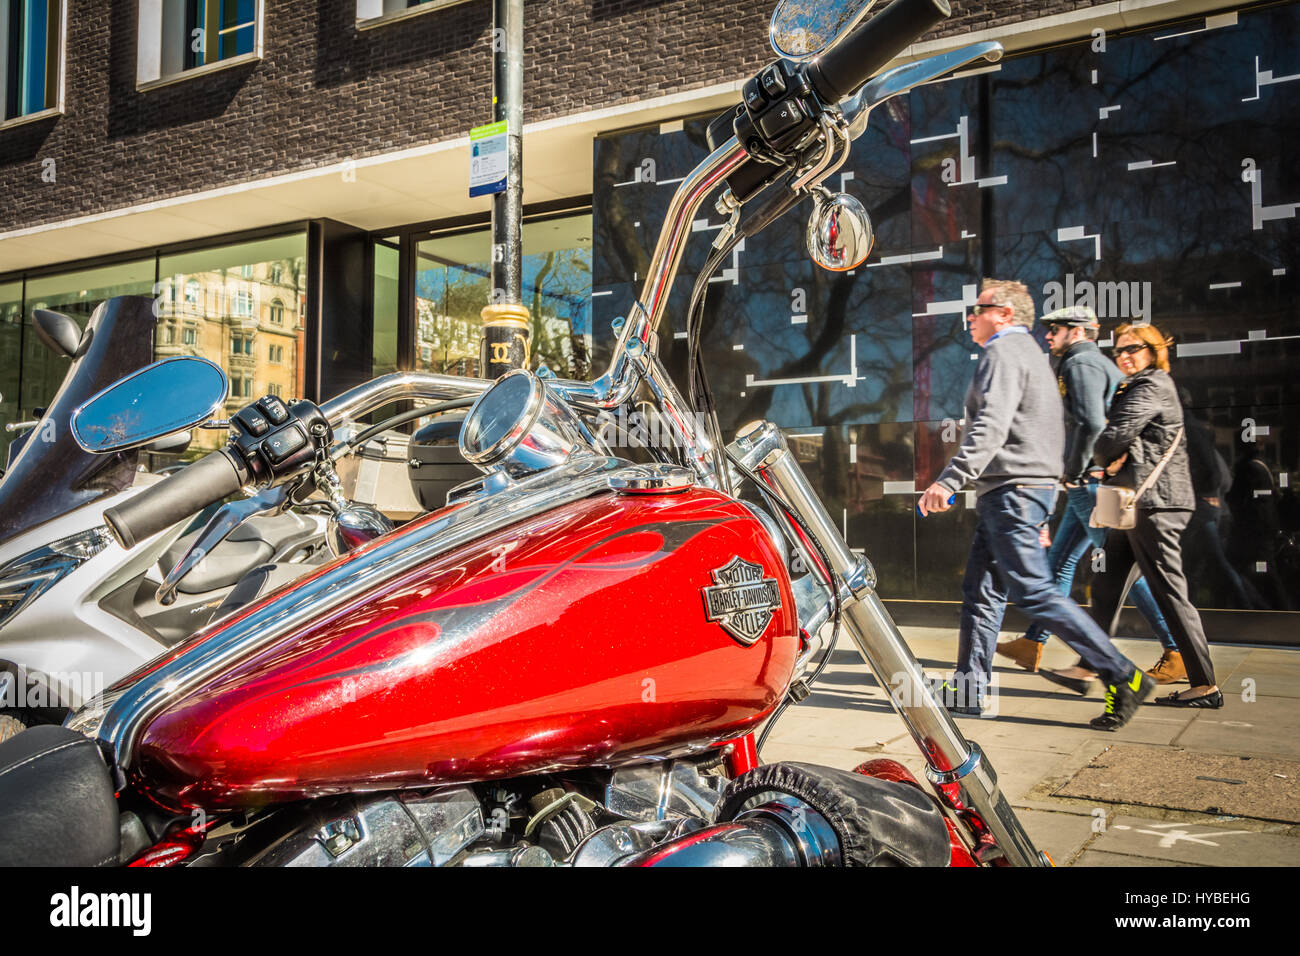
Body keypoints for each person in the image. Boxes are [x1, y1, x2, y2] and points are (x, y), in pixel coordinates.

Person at [919, 280, 1153, 730]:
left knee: (1033, 590)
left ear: (1004, 314)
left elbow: (990, 425)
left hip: (1012, 490)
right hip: (1017, 491)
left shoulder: (1004, 352)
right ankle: (969, 689)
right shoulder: (1033, 357)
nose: (970, 316)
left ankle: (1123, 675)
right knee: (982, 591)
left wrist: (948, 482)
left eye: (978, 308)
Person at [995, 305, 1179, 684]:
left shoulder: (1081, 363)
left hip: (1092, 484)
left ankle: (1174, 649)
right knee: (1060, 563)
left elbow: (1091, 421)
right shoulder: (1094, 364)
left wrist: (1076, 472)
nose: (1048, 335)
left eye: (1055, 329)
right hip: (1093, 482)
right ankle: (1033, 642)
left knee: (1124, 571)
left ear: (1077, 332)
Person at [1055, 323, 1222, 707]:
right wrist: (1113, 455)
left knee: (1170, 593)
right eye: (1119, 351)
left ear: (1154, 349)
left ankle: (1206, 685)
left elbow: (1111, 438)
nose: (1124, 356)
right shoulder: (1136, 385)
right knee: (1108, 587)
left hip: (1155, 503)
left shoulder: (1152, 385)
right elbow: (1116, 441)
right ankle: (1088, 665)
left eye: (1133, 348)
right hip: (1132, 502)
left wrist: (1108, 456)